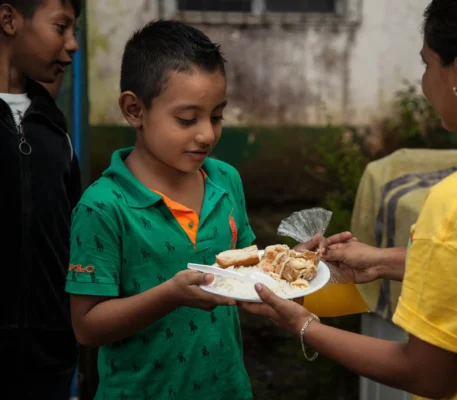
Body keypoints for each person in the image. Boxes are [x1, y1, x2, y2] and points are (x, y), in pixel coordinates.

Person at [241, 1, 457, 399]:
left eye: (428, 64)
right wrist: (380, 261)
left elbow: (427, 375)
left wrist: (306, 325)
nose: (425, 80)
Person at [64, 20, 328, 399]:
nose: (206, 134)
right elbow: (87, 327)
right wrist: (169, 294)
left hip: (227, 389)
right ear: (134, 109)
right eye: (187, 119)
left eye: (216, 116)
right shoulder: (103, 207)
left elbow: (248, 275)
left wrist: (290, 265)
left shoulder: (225, 180)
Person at [0, 0, 81, 398]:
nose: (73, 44)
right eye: (61, 27)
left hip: (50, 356)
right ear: (9, 19)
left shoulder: (56, 133)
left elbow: (73, 235)